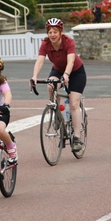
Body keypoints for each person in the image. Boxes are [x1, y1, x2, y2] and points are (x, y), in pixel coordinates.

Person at [31, 18, 86, 151]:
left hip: (76, 72)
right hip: (58, 70)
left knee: (74, 104)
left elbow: (71, 61)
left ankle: (77, 138)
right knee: (50, 86)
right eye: (50, 32)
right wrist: (35, 77)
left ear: (60, 32)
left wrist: (66, 75)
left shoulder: (68, 42)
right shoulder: (45, 44)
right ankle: (56, 112)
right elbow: (40, 61)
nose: (53, 35)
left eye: (55, 32)